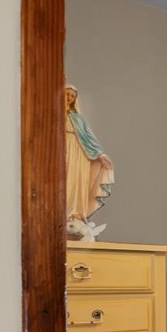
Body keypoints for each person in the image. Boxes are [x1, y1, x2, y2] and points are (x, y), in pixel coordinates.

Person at [64, 84, 114, 240]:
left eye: (72, 96)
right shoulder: (52, 115)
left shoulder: (78, 118)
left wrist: (100, 154)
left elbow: (89, 138)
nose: (69, 98)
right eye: (67, 95)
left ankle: (74, 214)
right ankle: (59, 212)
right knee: (62, 180)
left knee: (75, 182)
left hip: (79, 154)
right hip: (61, 149)